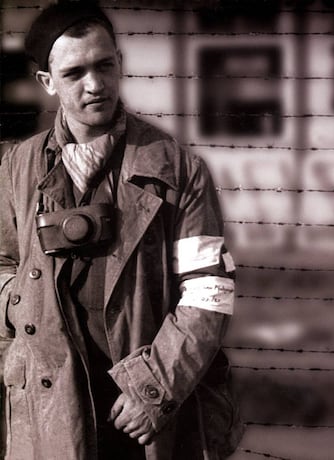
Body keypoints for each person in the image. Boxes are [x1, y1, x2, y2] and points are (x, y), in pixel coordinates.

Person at [0, 2, 243, 459]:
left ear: (120, 64)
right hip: (51, 410)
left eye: (104, 65)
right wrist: (18, 336)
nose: (95, 85)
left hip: (144, 418)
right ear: (46, 83)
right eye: (74, 73)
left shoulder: (176, 168)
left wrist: (155, 388)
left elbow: (207, 291)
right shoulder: (17, 167)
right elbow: (4, 263)